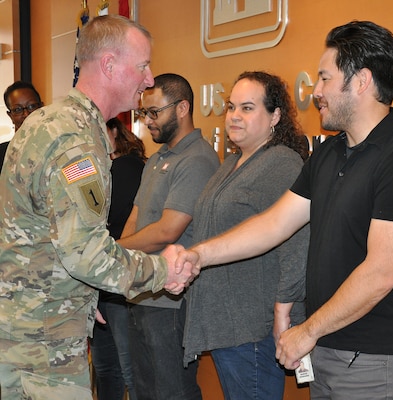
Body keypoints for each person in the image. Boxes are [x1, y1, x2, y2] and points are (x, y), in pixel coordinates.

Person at [174, 20, 393, 400]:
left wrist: (307, 330)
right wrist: (198, 254)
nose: (316, 92)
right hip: (326, 353)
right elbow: (274, 224)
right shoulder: (328, 152)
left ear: (360, 81)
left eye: (325, 79)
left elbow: (381, 274)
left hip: (377, 364)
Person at [0, 15, 195, 400]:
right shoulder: (75, 139)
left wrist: (87, 297)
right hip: (45, 346)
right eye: (142, 66)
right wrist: (162, 271)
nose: (150, 79)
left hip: (27, 331)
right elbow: (85, 253)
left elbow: (43, 232)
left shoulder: (48, 122)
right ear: (108, 65)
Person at [182, 71, 310, 400]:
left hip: (253, 326)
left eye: (248, 108)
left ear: (275, 116)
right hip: (226, 323)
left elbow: (297, 248)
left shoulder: (282, 163)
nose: (235, 116)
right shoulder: (234, 162)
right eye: (231, 106)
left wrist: (285, 314)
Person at [118, 73, 220, 400]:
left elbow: (167, 230)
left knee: (172, 390)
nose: (147, 121)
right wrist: (120, 258)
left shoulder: (198, 158)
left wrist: (112, 251)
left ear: (182, 108)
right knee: (144, 389)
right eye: (143, 113)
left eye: (154, 112)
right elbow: (136, 215)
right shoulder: (157, 158)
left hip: (171, 301)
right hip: (142, 292)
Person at [90, 117, 146, 400]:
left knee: (126, 369)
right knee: (106, 368)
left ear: (114, 131)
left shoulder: (126, 166)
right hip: (103, 285)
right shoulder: (101, 168)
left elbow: (104, 220)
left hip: (119, 281)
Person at [1, 81, 43, 171]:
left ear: (42, 108)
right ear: (10, 116)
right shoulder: (2, 154)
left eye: (32, 106)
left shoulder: (58, 145)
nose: (26, 114)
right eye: (18, 109)